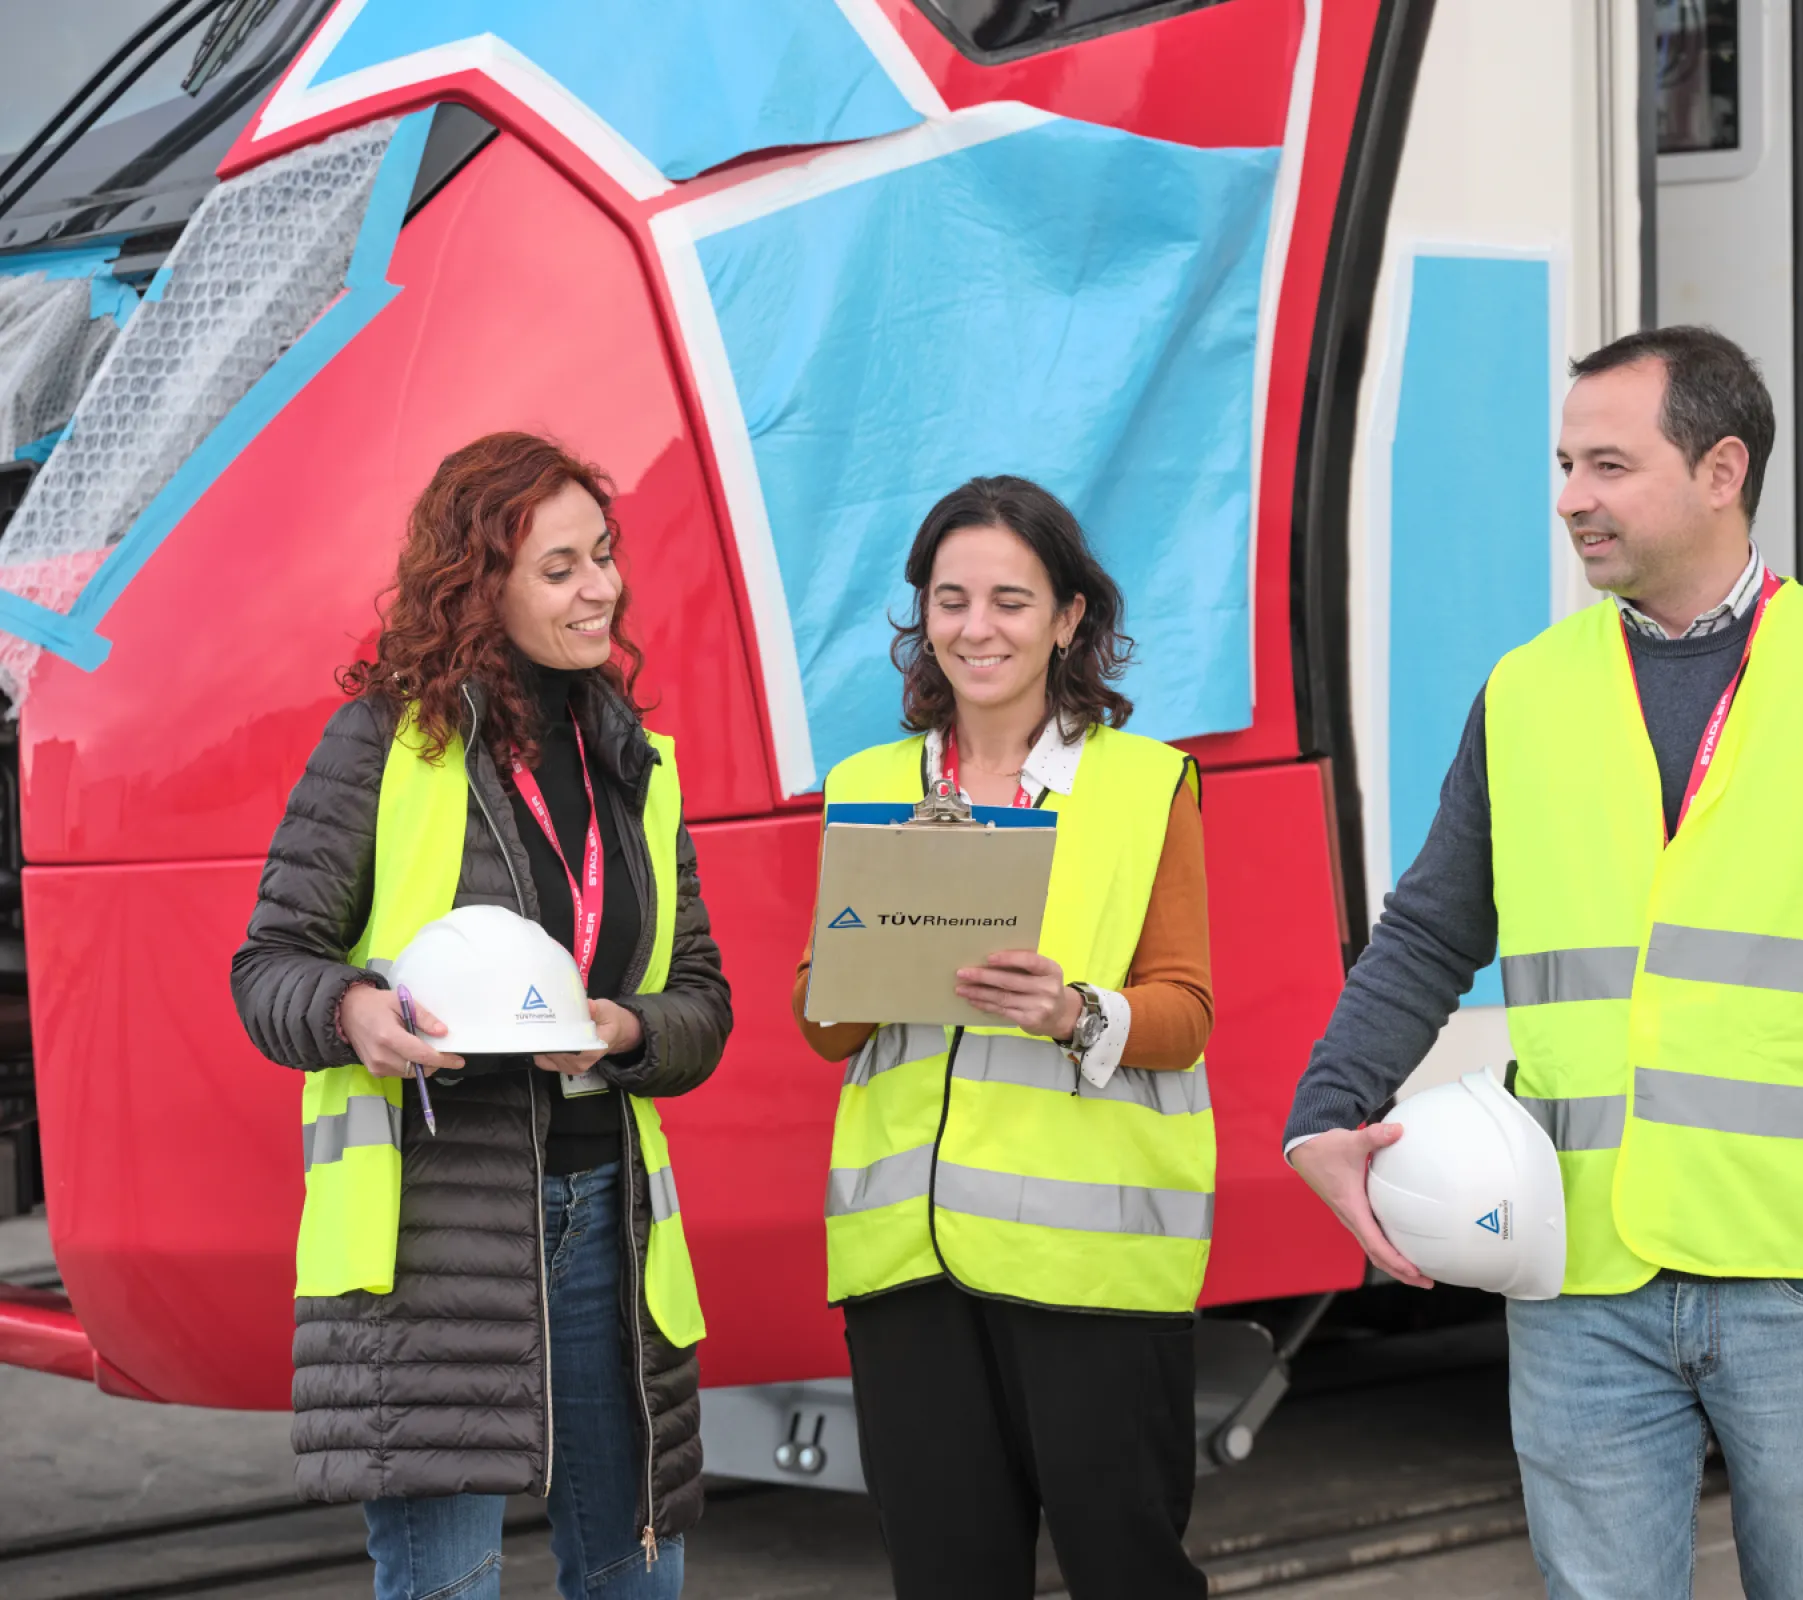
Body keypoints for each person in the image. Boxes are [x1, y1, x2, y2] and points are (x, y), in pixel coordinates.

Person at [1284, 327, 1803, 1600]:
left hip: (1802, 1279)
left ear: (1721, 470)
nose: (1572, 497)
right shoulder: (1526, 692)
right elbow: (1427, 931)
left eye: (1609, 465)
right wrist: (1325, 1108)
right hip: (1578, 1272)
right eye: (1566, 465)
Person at [230, 432, 732, 1600]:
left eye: (603, 557)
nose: (600, 588)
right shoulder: (383, 747)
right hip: (433, 1241)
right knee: (448, 1587)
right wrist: (350, 1009)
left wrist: (626, 1031)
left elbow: (702, 997)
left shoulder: (633, 761)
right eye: (561, 569)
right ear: (480, 584)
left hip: (610, 1221)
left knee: (632, 1578)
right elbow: (268, 966)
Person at [791, 475, 1217, 1600]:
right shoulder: (872, 784)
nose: (977, 628)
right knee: (945, 1578)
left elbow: (1187, 1010)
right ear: (922, 614)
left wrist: (1075, 1010)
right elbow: (823, 1023)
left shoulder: (1143, 784)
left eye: (1012, 601)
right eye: (951, 598)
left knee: (1128, 1572)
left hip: (1089, 1268)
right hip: (907, 1267)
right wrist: (857, 974)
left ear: (1072, 617)